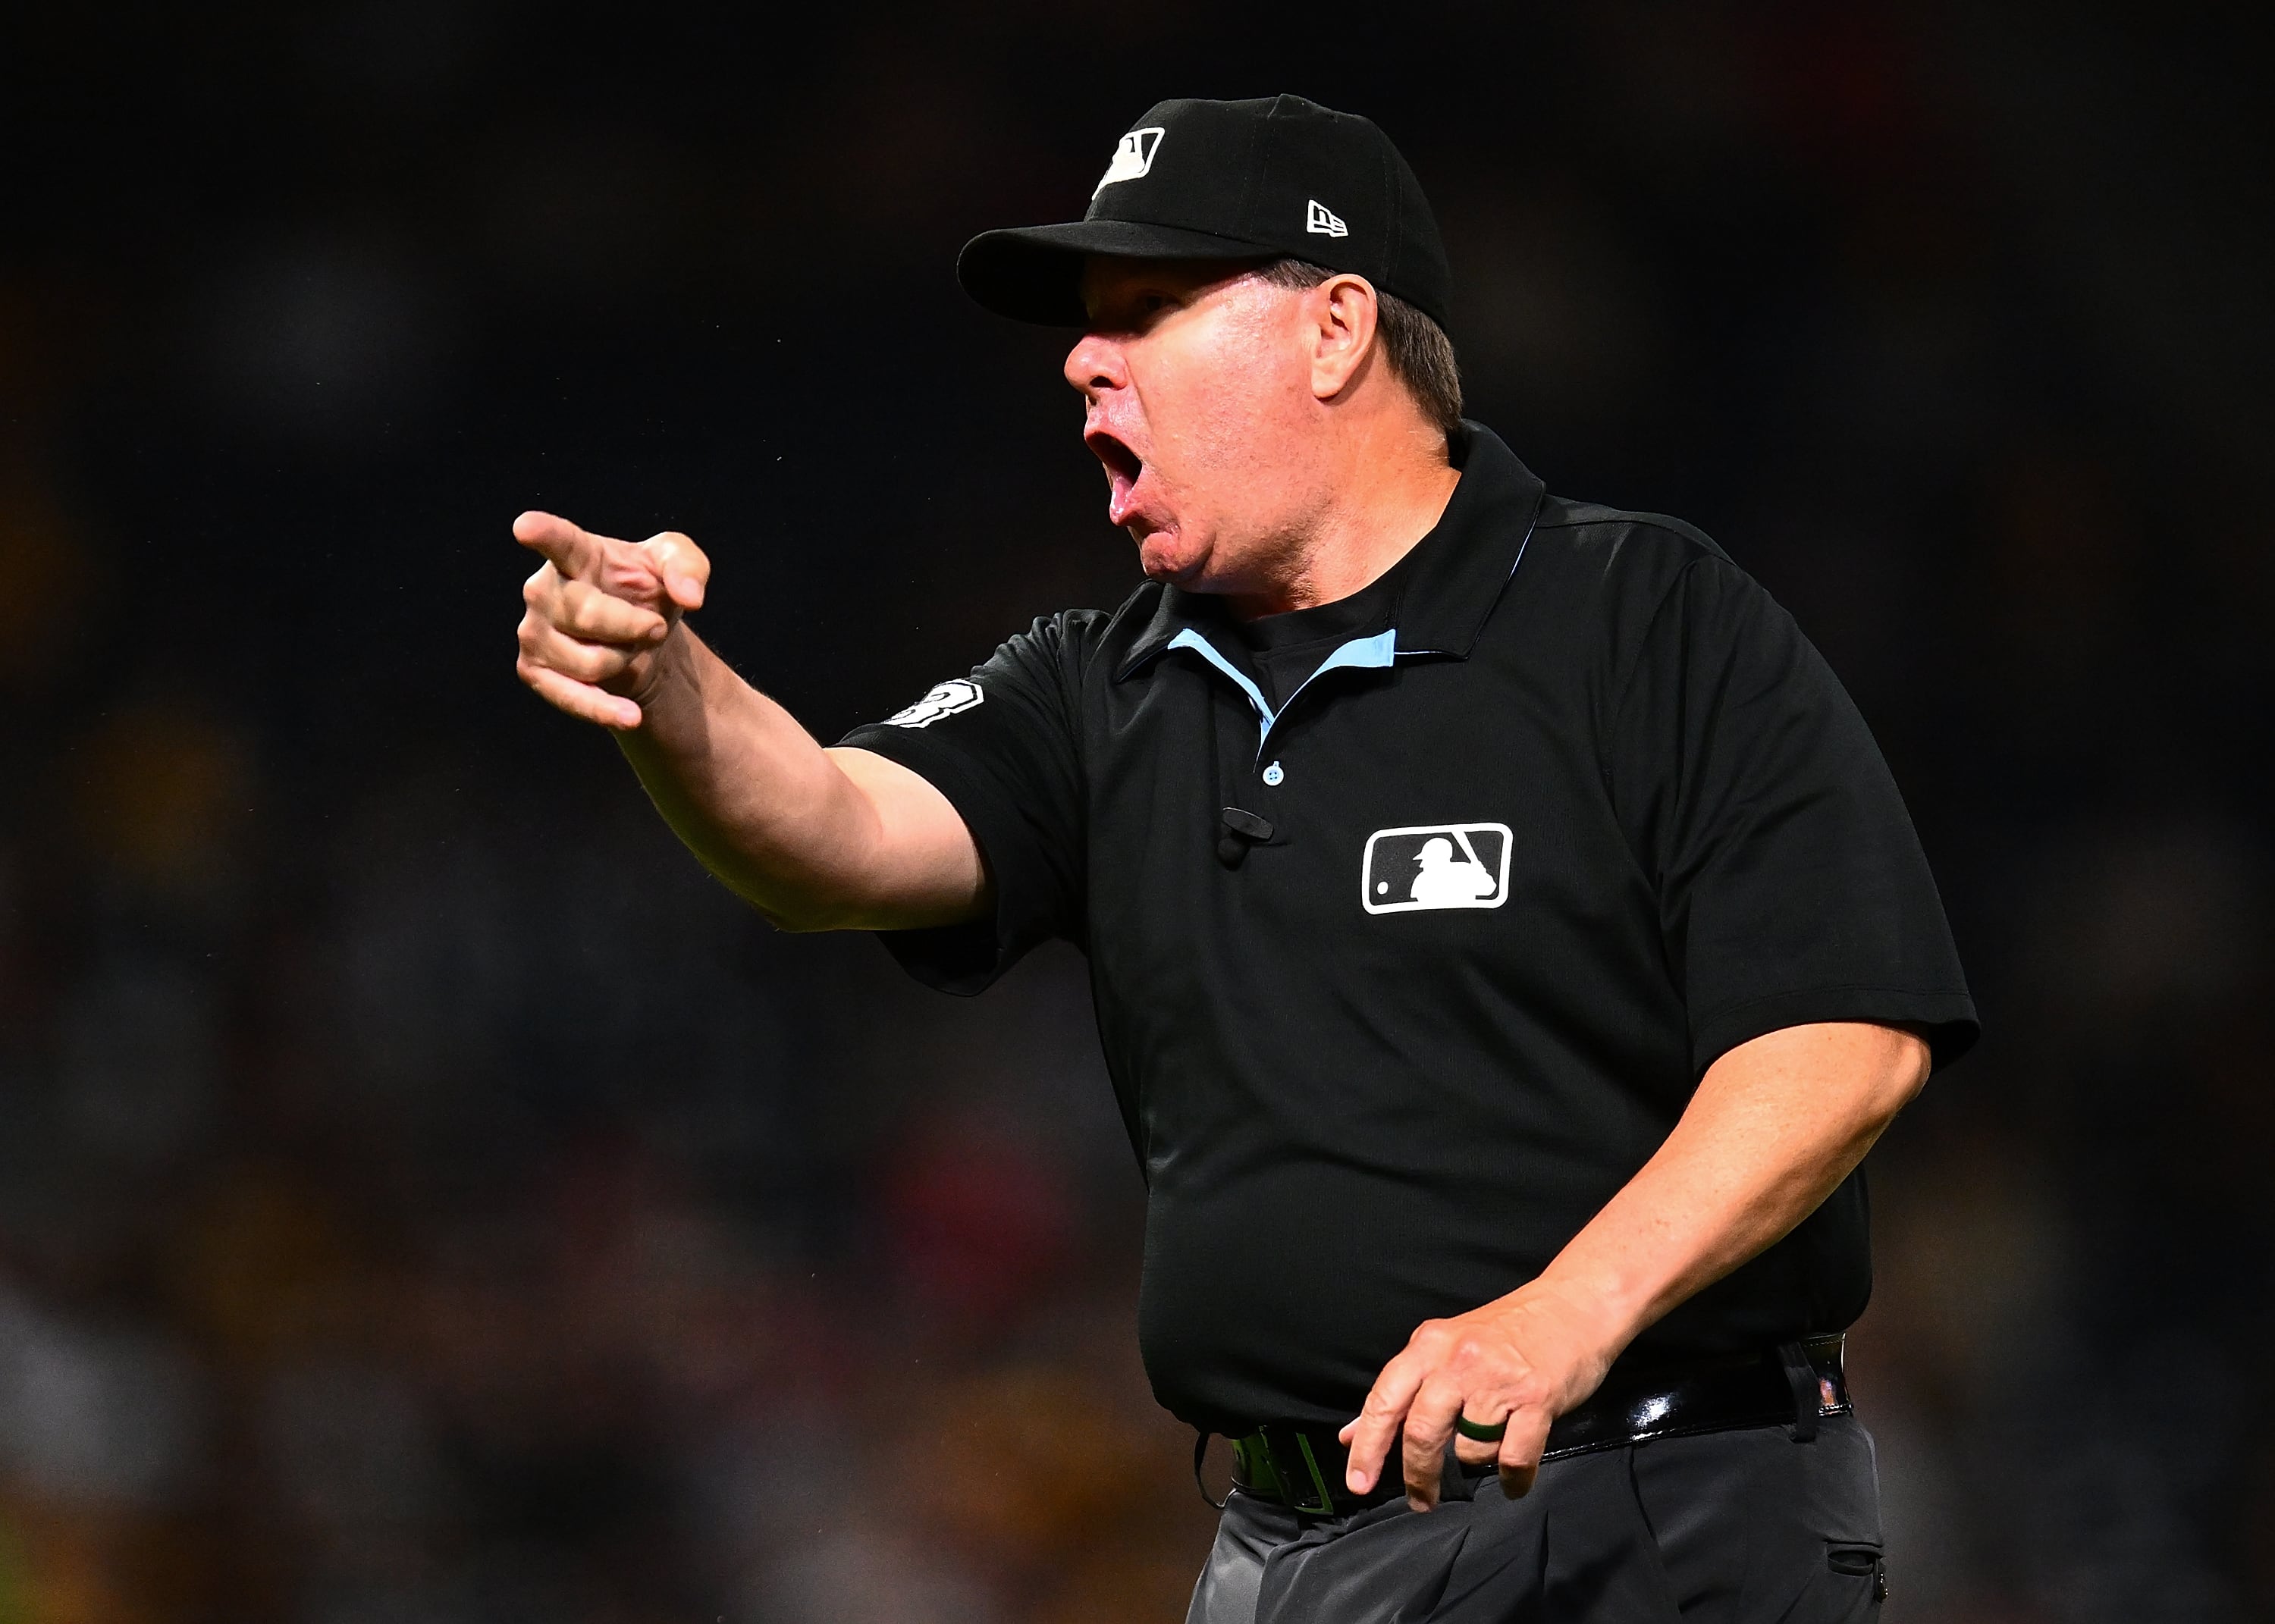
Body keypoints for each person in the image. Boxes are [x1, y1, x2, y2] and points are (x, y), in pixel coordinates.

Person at [512, 94, 1975, 1621]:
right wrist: (663, 682)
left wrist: (1562, 1314)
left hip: (1646, 1515)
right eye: (1086, 324)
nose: (1085, 357)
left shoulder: (1640, 618)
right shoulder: (1103, 686)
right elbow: (828, 829)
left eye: (1148, 307)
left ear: (1337, 328)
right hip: (1288, 1542)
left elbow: (1843, 1034)